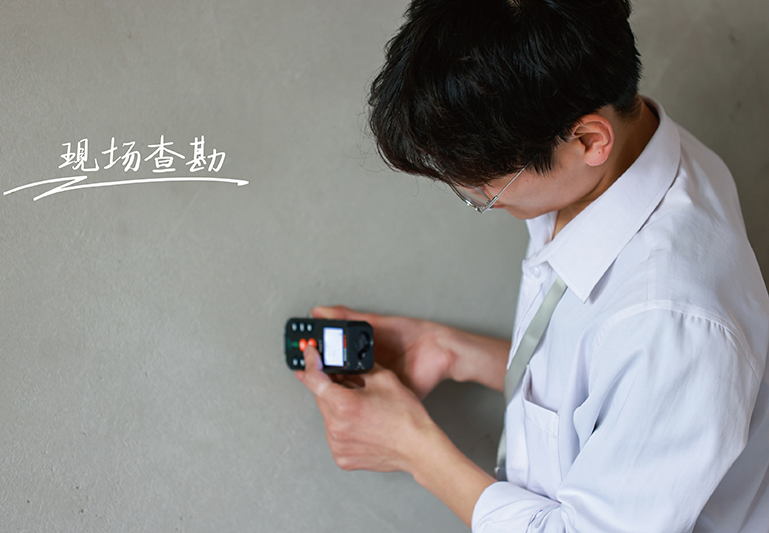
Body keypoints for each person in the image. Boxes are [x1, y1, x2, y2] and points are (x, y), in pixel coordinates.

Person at [296, 0, 769, 531]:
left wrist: (411, 447)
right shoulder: (639, 151)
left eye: (486, 189)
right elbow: (605, 383)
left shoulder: (673, 323)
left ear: (589, 140)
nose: (482, 200)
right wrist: (451, 351)